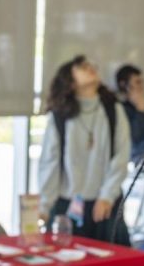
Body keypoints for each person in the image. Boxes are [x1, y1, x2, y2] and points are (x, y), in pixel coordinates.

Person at [39, 55, 131, 245]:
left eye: (92, 65)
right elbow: (50, 163)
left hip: (105, 204)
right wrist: (44, 206)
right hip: (67, 206)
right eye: (82, 67)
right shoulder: (59, 116)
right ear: (70, 82)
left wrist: (107, 196)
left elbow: (121, 156)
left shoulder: (113, 109)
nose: (91, 68)